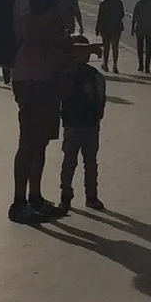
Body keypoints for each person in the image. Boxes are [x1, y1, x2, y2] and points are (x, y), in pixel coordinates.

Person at [8, 0, 91, 224]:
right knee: (28, 141)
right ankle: (19, 202)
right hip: (31, 76)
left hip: (45, 77)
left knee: (40, 142)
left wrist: (71, 45)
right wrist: (64, 41)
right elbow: (33, 35)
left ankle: (35, 198)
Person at [57, 54, 105, 212]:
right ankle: (91, 196)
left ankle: (66, 196)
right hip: (90, 124)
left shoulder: (65, 74)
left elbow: (60, 97)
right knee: (90, 162)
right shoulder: (96, 75)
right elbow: (101, 100)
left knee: (69, 161)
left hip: (73, 124)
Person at [94, 0, 125, 73]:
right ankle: (115, 65)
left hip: (105, 28)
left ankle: (105, 64)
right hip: (116, 27)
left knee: (106, 47)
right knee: (115, 47)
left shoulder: (103, 3)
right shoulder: (119, 3)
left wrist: (97, 28)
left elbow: (100, 17)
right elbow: (122, 14)